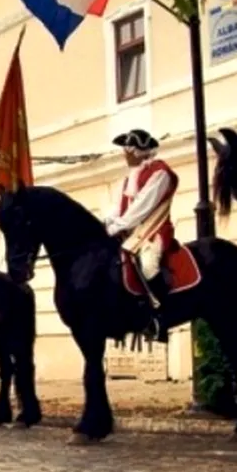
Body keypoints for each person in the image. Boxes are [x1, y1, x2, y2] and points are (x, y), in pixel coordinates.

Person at [104, 128, 179, 341]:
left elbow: (142, 207)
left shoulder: (160, 172)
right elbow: (117, 209)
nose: (124, 155)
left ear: (138, 151)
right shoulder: (127, 180)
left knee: (148, 264)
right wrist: (106, 223)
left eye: (127, 150)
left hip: (153, 230)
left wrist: (117, 227)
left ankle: (161, 315)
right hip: (129, 232)